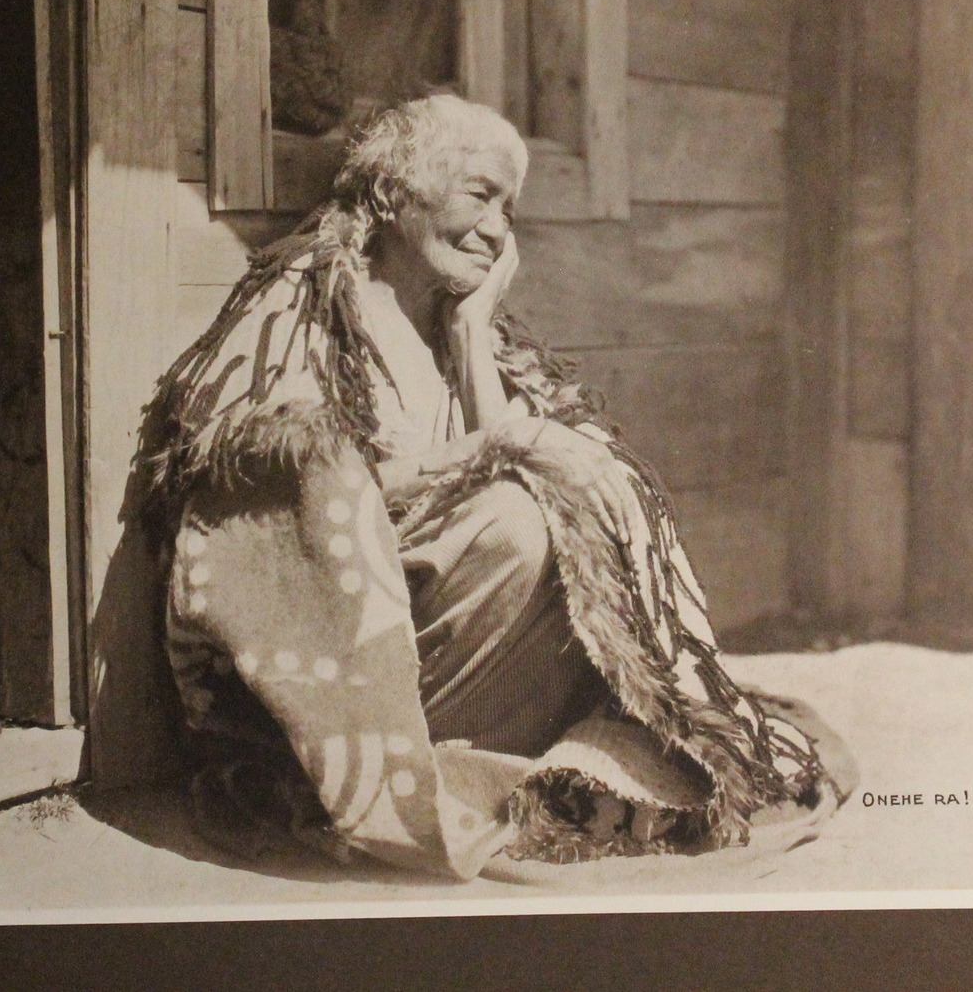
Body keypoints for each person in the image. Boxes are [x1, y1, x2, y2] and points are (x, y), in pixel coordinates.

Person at [136, 93, 852, 878]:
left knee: (551, 502)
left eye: (509, 209)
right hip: (348, 655)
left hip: (452, 626)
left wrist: (473, 333)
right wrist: (498, 444)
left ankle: (503, 748)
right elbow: (305, 492)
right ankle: (408, 763)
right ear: (394, 192)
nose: (498, 228)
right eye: (480, 194)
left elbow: (529, 463)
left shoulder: (459, 321)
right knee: (515, 518)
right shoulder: (306, 303)